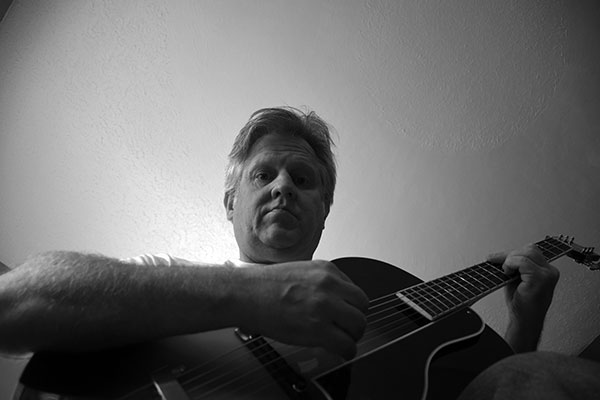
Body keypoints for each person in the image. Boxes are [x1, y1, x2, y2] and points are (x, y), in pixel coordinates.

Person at [0, 107, 559, 364]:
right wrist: (248, 296)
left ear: (323, 211)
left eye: (304, 179)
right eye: (263, 174)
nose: (283, 187)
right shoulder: (166, 279)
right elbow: (17, 303)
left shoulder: (373, 307)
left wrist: (525, 319)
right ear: (229, 201)